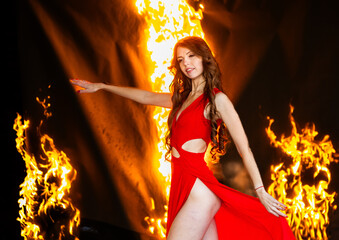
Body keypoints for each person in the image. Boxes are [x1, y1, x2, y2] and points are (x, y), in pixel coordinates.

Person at [71, 36, 295, 239]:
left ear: (204, 58)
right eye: (180, 60)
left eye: (191, 56)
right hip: (182, 185)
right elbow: (146, 96)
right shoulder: (182, 98)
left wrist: (260, 191)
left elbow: (244, 147)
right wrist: (102, 87)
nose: (186, 63)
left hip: (200, 190)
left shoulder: (217, 100)